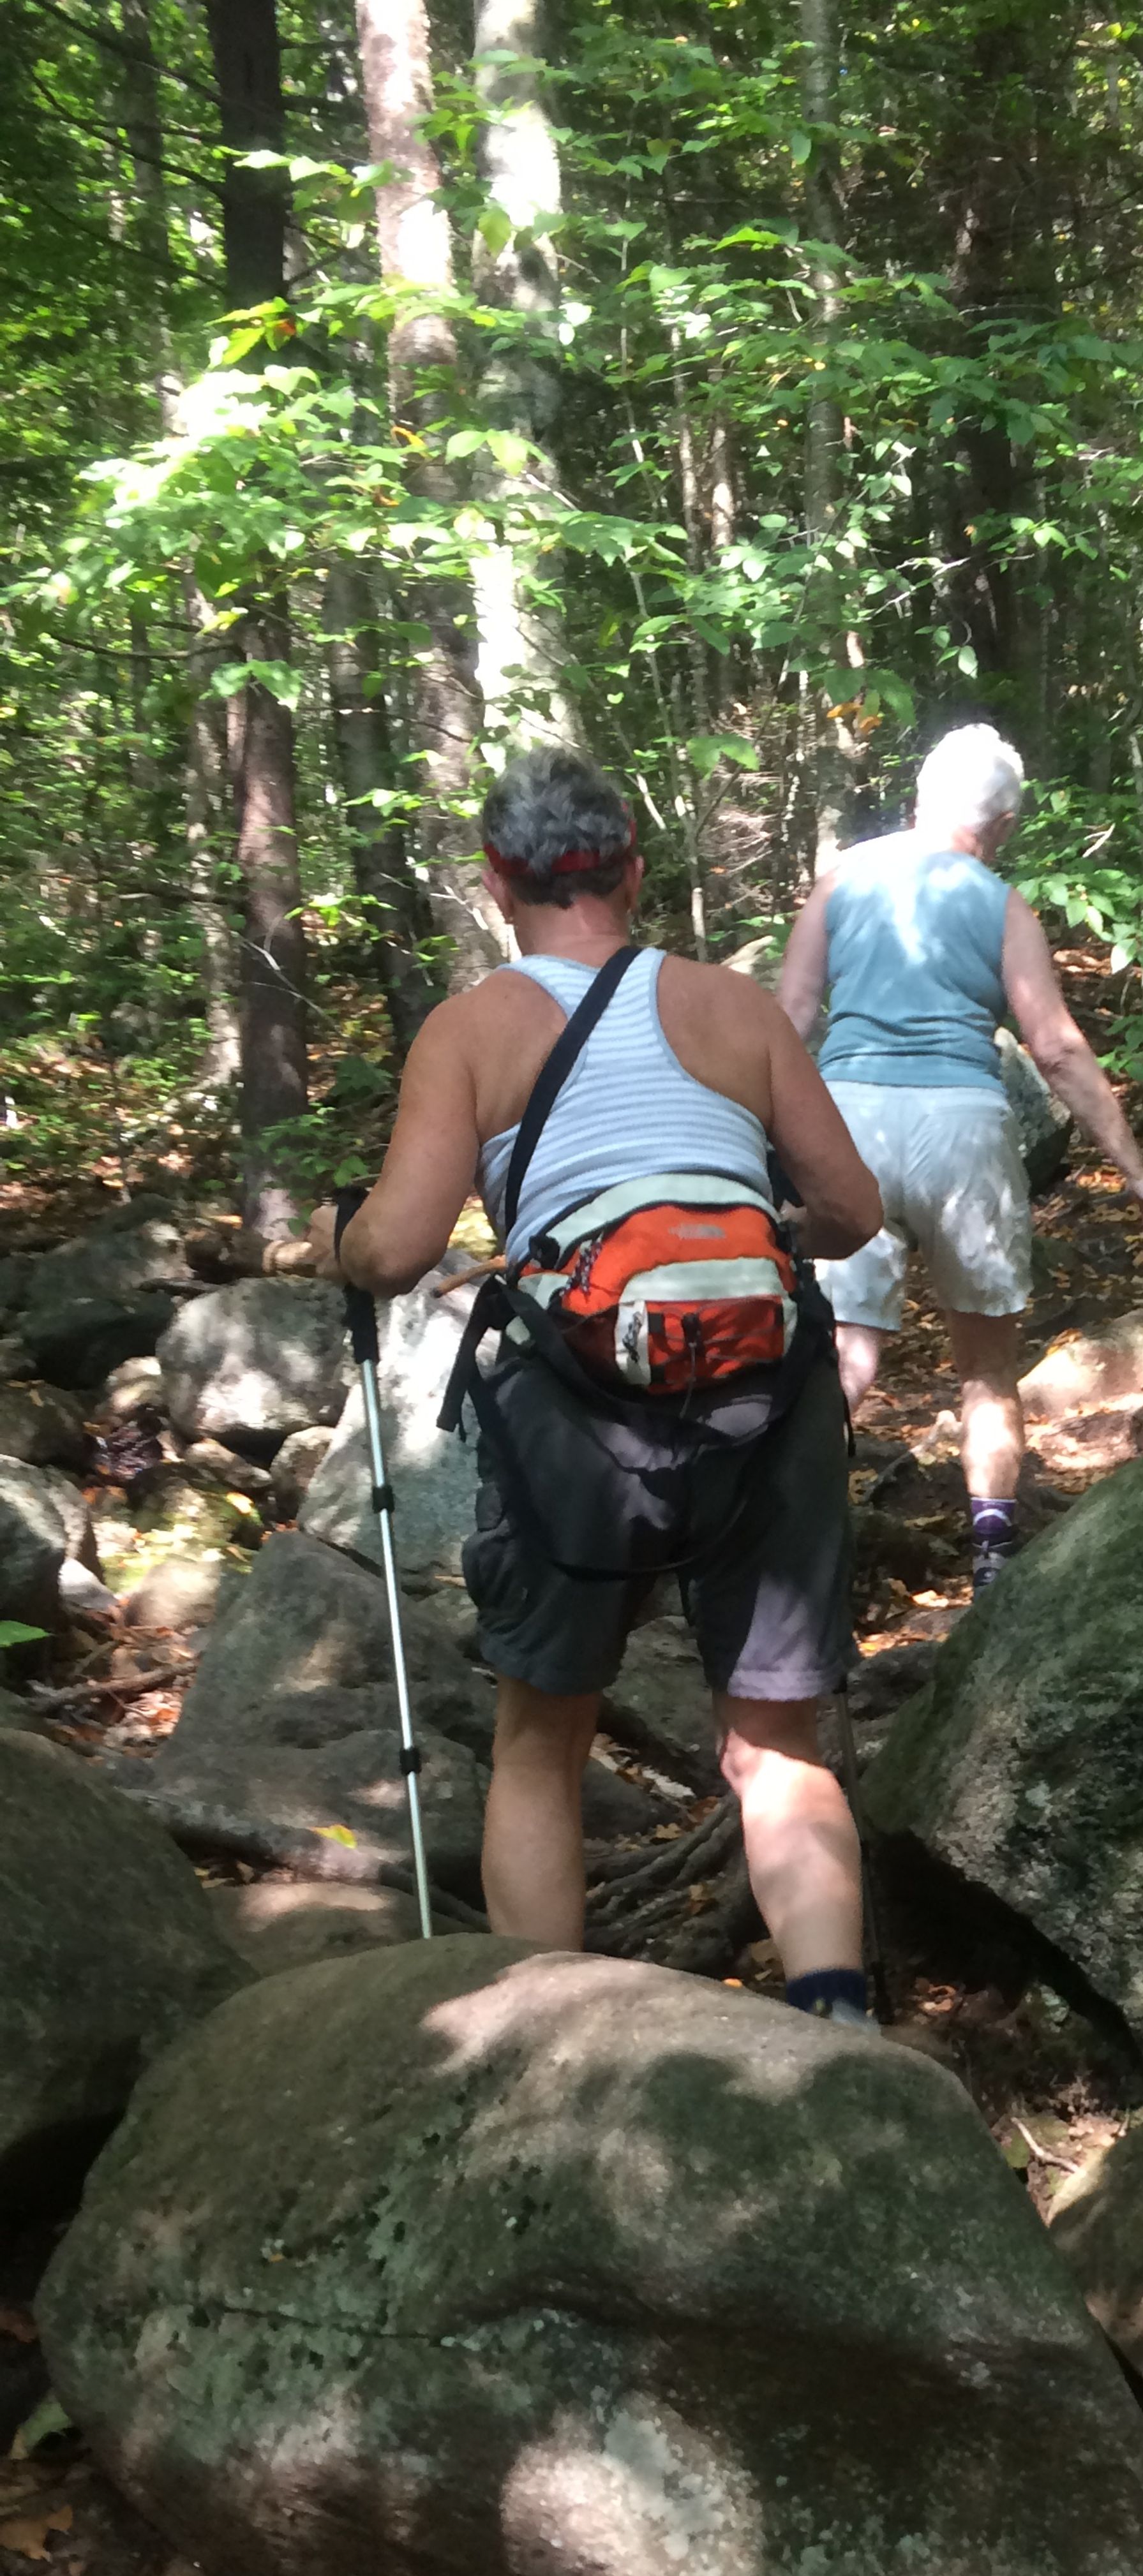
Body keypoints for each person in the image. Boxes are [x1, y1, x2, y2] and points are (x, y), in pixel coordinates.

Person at [312, 744, 889, 2020]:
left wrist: (339, 1241)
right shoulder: (734, 1008)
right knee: (779, 1748)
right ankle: (840, 2021)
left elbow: (400, 1248)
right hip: (767, 1391)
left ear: (493, 883)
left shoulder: (472, 1029)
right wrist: (740, 1244)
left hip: (572, 1414)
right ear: (632, 869)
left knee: (541, 1739)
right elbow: (852, 1207)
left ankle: (562, 2039)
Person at [775, 724, 1143, 1590]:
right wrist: (1136, 1170)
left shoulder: (841, 881)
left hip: (850, 1124)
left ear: (923, 796)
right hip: (963, 1121)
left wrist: (753, 1141)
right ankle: (993, 1556)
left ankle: (783, 1540)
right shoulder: (1001, 906)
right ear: (998, 824)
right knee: (988, 1369)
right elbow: (1058, 1050)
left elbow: (793, 1014)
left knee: (846, 1352)